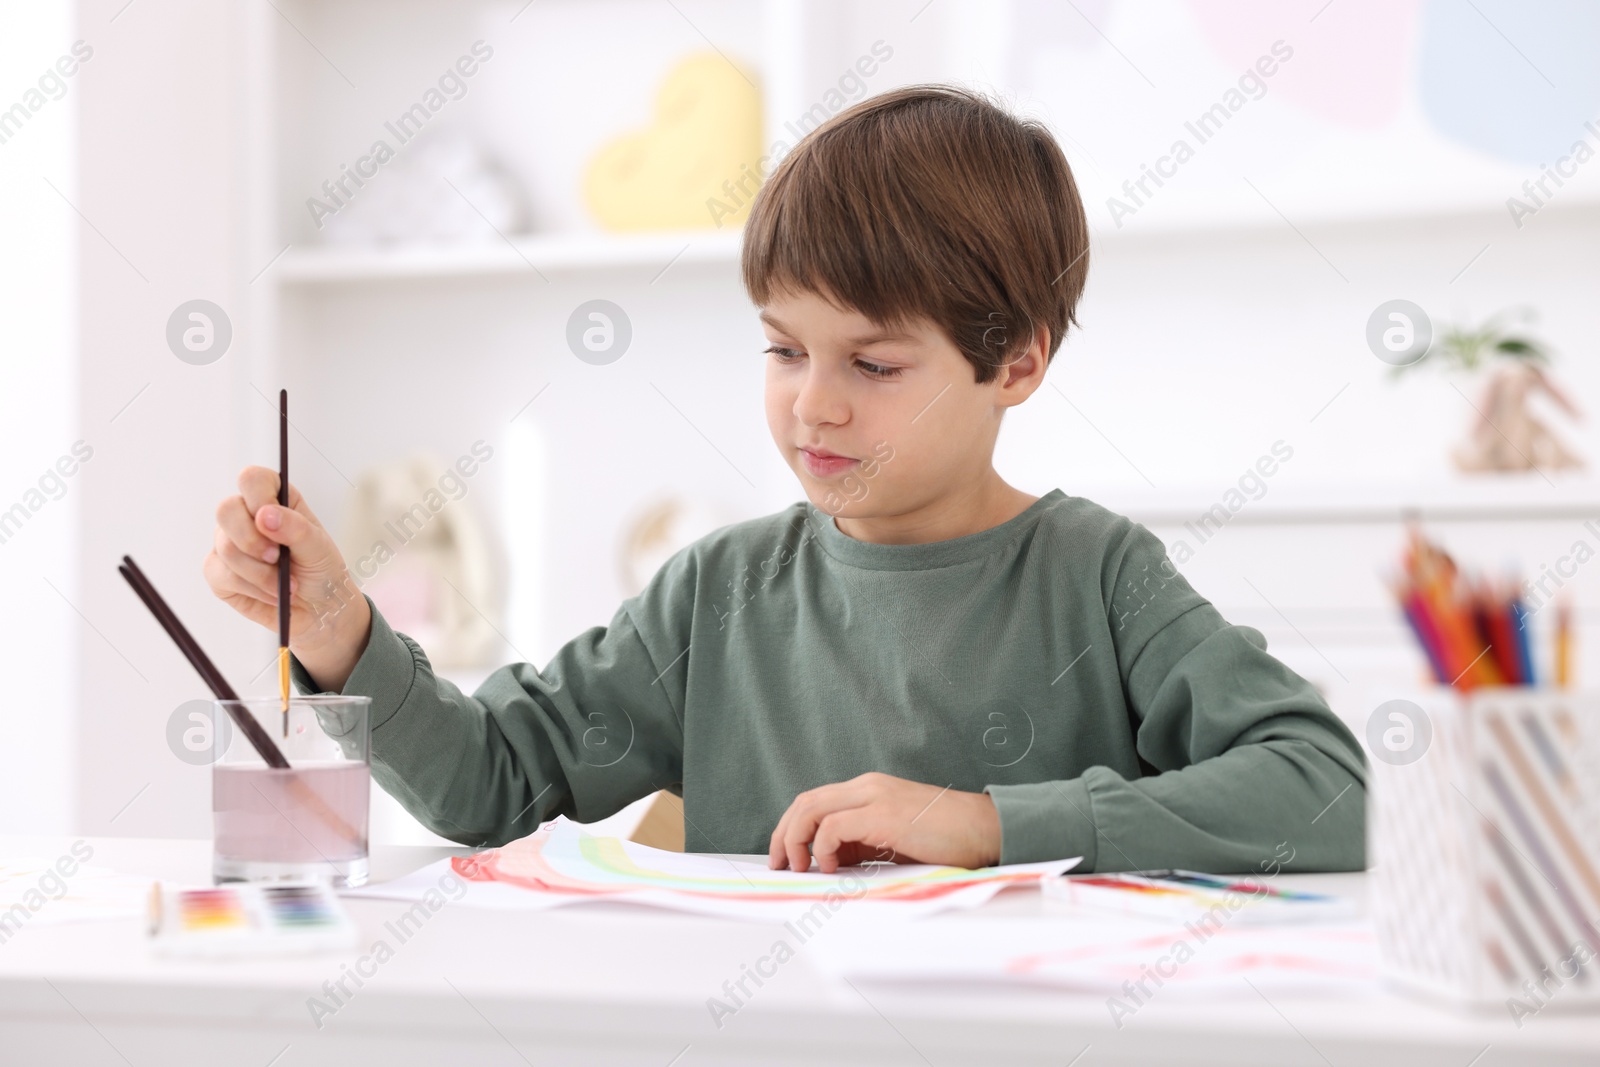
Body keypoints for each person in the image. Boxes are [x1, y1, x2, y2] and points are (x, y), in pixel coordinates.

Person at [205, 85, 1366, 875]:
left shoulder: (1097, 575)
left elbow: (1326, 786)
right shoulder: (717, 589)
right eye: (782, 348)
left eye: (873, 361)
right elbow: (489, 783)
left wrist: (988, 824)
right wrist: (342, 631)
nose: (813, 401)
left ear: (1016, 360)